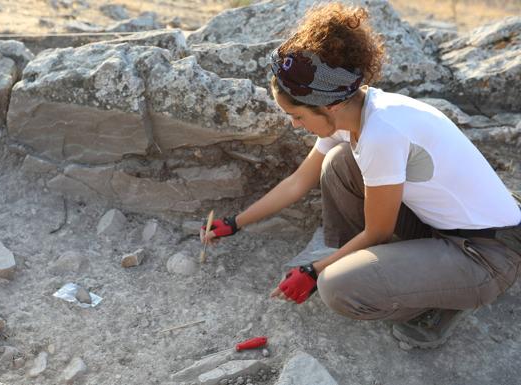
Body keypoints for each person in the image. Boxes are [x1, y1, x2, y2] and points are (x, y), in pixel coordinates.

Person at [200, 3, 521, 349]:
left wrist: (316, 271)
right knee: (338, 164)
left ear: (329, 106)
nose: (293, 124)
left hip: (486, 254)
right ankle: (398, 270)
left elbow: (377, 230)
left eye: (296, 115)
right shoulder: (353, 110)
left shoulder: (382, 133)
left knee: (337, 288)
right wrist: (235, 222)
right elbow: (298, 181)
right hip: (442, 227)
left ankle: (438, 300)